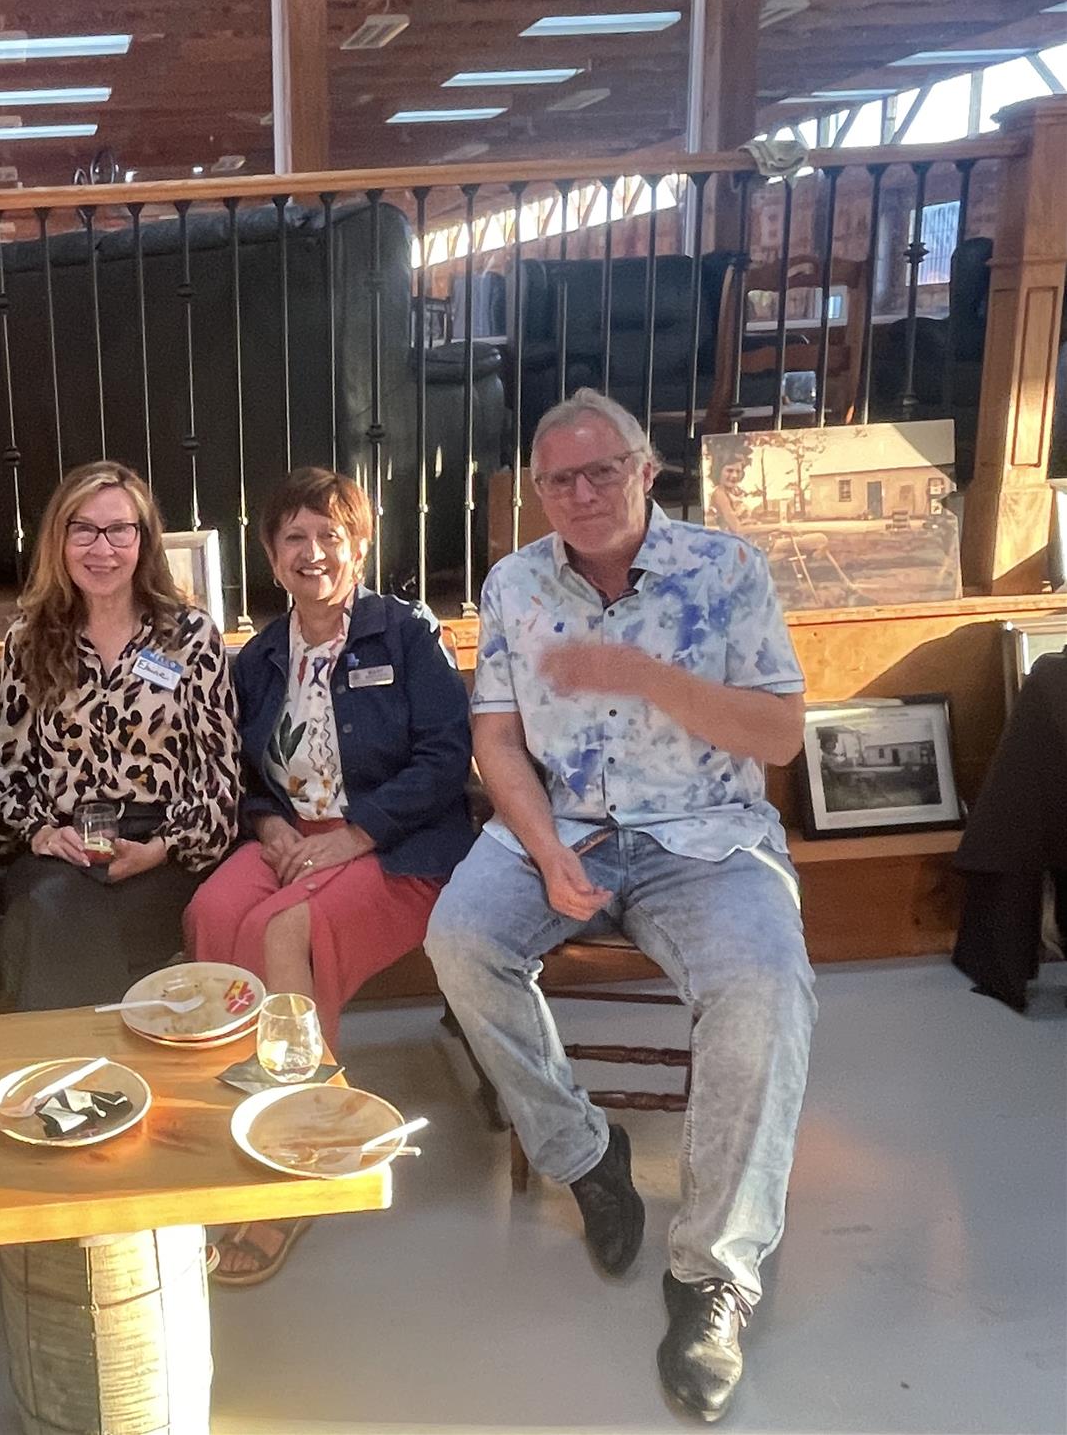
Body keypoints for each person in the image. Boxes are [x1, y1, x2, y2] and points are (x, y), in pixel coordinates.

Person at [423, 390, 815, 1423]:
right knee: (459, 939)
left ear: (647, 469)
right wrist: (547, 850)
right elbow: (497, 738)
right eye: (560, 479)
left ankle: (713, 1275)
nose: (583, 493)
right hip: (564, 826)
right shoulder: (514, 582)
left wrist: (642, 675)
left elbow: (778, 735)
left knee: (766, 987)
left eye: (603, 470)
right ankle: (587, 1154)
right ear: (536, 490)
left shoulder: (727, 570)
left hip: (705, 835)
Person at [182, 467, 474, 1286]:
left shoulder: (407, 634)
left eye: (330, 535)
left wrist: (358, 832)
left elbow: (446, 756)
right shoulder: (258, 656)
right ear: (270, 555)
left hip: (400, 847)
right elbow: (240, 769)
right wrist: (268, 823)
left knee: (284, 930)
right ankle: (241, 1121)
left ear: (359, 546)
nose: (312, 552)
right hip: (294, 839)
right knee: (213, 911)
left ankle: (302, 1154)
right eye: (294, 538)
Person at [0, 461, 239, 1009]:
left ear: (143, 541)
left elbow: (217, 774)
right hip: (62, 845)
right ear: (59, 540)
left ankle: (71, 1057)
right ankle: (106, 1055)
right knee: (51, 904)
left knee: (50, 923)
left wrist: (161, 847)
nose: (101, 548)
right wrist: (41, 833)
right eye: (83, 529)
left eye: (119, 530)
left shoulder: (189, 637)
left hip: (163, 846)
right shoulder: (28, 640)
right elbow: (12, 768)